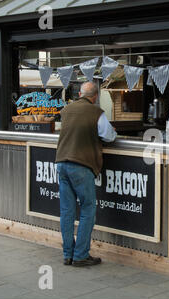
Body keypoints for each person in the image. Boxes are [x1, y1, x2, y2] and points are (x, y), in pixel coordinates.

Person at [55, 82, 117, 267]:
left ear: (80, 93)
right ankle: (80, 255)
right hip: (81, 164)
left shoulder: (66, 110)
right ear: (95, 96)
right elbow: (109, 136)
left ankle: (68, 254)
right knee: (88, 209)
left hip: (61, 163)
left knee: (66, 211)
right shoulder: (96, 112)